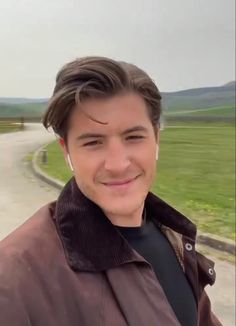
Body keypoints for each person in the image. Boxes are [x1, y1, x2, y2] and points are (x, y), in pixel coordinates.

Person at [0, 57, 222, 325]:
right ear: (66, 151)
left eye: (134, 137)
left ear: (156, 140)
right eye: (93, 142)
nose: (118, 165)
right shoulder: (14, 277)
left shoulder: (175, 238)